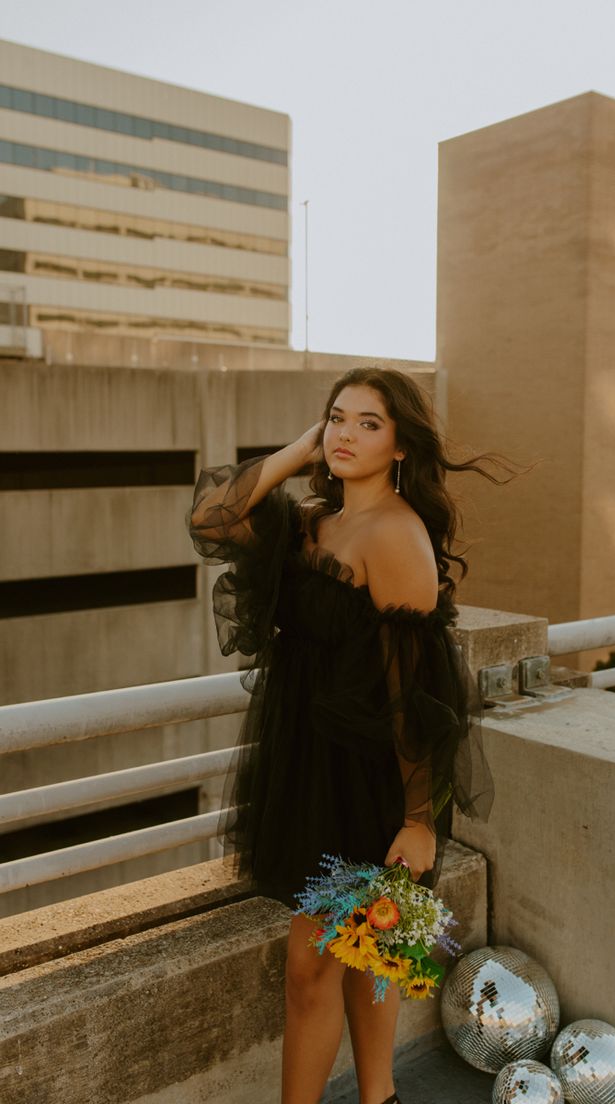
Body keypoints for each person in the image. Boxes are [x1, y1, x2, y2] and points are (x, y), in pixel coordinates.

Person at [186, 366, 528, 1104]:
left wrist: (416, 820)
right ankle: (380, 1097)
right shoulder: (312, 520)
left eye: (368, 423)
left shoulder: (397, 536)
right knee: (369, 948)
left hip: (373, 778)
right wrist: (291, 454)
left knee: (321, 966)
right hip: (309, 767)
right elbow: (212, 522)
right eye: (337, 418)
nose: (345, 433)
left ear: (400, 443)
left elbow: (417, 696)